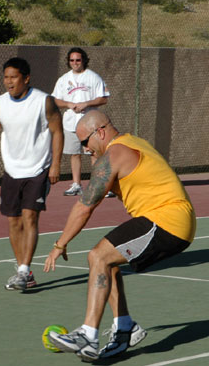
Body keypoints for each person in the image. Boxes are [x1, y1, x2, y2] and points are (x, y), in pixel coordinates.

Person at [43, 110, 196, 361]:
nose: (84, 149)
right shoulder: (130, 143)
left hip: (168, 220)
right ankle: (125, 326)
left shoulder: (115, 153)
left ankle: (87, 335)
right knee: (109, 262)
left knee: (98, 256)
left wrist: (60, 244)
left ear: (100, 132)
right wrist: (95, 155)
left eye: (85, 142)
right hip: (171, 220)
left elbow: (85, 206)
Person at [0, 57, 63, 291]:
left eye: (14, 77)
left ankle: (22, 270)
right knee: (13, 222)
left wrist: (56, 165)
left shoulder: (44, 101)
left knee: (30, 217)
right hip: (12, 171)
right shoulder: (0, 103)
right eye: (6, 77)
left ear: (26, 78)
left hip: (37, 169)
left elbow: (57, 132)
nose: (9, 82)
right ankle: (24, 271)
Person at [51, 47, 110, 197]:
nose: (75, 63)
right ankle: (76, 184)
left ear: (83, 60)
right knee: (74, 154)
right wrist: (69, 104)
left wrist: (87, 104)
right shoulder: (63, 79)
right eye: (72, 60)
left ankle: (97, 185)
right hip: (71, 123)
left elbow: (103, 98)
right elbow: (55, 100)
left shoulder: (93, 77)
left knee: (94, 153)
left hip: (91, 124)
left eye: (78, 60)